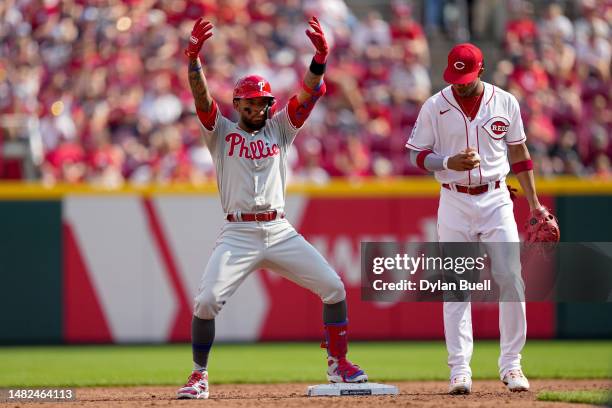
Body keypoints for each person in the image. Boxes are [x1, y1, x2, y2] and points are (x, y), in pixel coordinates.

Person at [176, 16, 368, 400]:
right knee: (207, 300)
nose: (260, 108)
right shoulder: (221, 132)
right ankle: (199, 375)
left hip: (279, 230)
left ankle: (338, 364)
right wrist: (193, 61)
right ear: (239, 104)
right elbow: (201, 99)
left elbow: (307, 94)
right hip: (239, 231)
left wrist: (319, 60)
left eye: (265, 102)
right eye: (253, 103)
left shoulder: (281, 128)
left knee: (333, 287)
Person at [405, 43, 559, 395]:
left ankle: (512, 364)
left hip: (496, 198)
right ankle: (460, 369)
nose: (460, 84)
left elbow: (519, 151)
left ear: (482, 71)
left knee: (510, 278)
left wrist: (535, 204)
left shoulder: (505, 101)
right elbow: (415, 155)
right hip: (454, 201)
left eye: (466, 77)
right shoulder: (435, 105)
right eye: (455, 77)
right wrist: (447, 163)